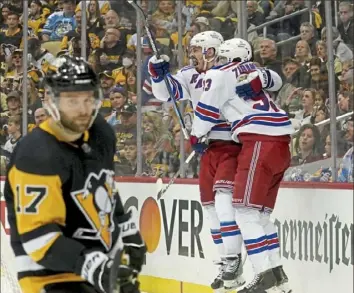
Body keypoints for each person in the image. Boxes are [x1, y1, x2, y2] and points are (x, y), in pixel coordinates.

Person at [148, 32, 282, 292]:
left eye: (197, 50)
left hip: (234, 145)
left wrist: (260, 78)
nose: (192, 54)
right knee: (210, 209)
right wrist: (157, 74)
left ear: (211, 51)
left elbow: (274, 79)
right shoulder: (190, 74)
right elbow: (167, 94)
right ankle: (226, 263)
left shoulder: (232, 70)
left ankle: (234, 261)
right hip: (210, 148)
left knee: (224, 203)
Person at [4, 56, 146, 293]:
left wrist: (128, 230)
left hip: (98, 268)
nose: (82, 110)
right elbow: (40, 239)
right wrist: (96, 267)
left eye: (87, 100)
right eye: (72, 101)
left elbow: (103, 186)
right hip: (49, 277)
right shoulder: (36, 154)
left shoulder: (101, 134)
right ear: (51, 101)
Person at [192, 38, 293, 293]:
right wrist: (260, 79)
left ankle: (263, 273)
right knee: (259, 215)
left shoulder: (219, 74)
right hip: (282, 142)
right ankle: (278, 274)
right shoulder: (255, 70)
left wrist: (196, 136)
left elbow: (205, 112)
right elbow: (276, 80)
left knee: (243, 212)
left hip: (258, 140)